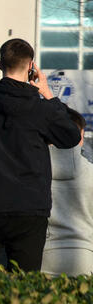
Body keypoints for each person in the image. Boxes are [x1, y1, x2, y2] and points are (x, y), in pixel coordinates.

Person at [0, 38, 81, 272]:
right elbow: (71, 136)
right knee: (25, 289)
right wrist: (47, 93)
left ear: (0, 65)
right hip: (29, 210)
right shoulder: (41, 109)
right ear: (31, 66)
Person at [43, 108, 93, 276]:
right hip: (84, 256)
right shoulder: (90, 172)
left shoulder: (33, 172)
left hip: (43, 255)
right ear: (78, 136)